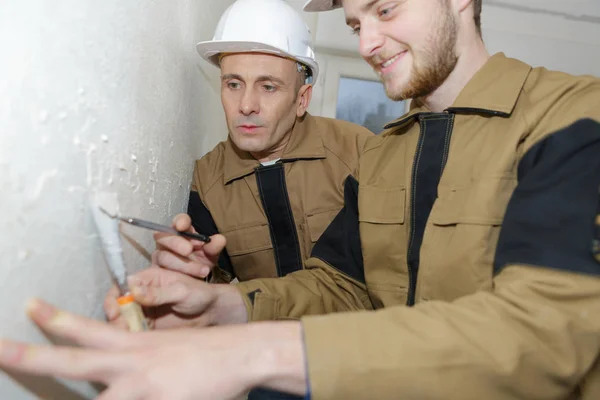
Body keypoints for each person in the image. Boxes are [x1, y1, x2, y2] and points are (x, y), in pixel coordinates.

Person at [2, 0, 600, 399]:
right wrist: (221, 307)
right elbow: (344, 283)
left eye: (385, 8)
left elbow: (548, 333)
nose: (368, 41)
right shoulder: (390, 152)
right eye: (354, 21)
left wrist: (244, 354)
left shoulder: (574, 114)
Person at [106, 0, 371, 398]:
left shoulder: (360, 155)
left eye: (268, 86)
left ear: (302, 99)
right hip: (264, 365)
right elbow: (216, 287)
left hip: (359, 359)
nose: (246, 104)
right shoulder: (207, 180)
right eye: (233, 84)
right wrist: (199, 271)